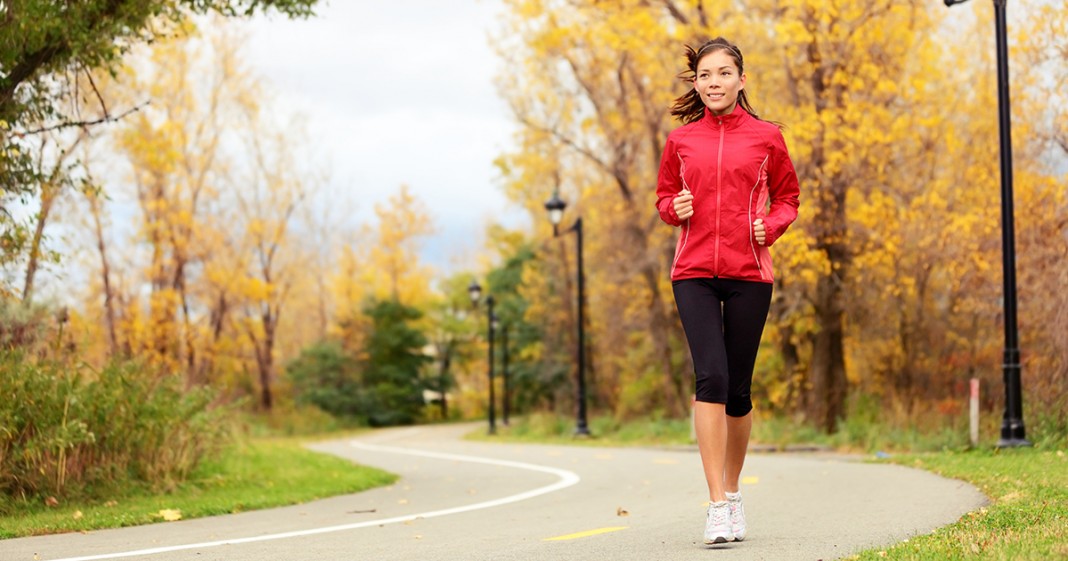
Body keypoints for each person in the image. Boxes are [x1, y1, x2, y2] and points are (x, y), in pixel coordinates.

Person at [655, 36, 800, 545]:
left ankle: (734, 491)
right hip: (692, 270)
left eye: (722, 73)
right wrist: (677, 210)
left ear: (741, 79)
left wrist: (771, 226)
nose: (713, 82)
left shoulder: (766, 138)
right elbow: (664, 198)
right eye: (704, 75)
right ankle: (716, 504)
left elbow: (788, 197)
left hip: (749, 272)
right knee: (710, 378)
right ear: (695, 84)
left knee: (738, 390)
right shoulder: (681, 141)